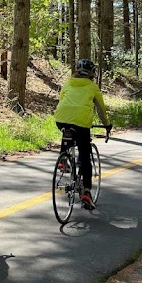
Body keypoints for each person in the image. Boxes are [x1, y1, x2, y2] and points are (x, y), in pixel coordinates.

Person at [54, 58, 112, 210]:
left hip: (60, 119)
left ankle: (63, 158)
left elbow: (63, 102)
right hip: (81, 123)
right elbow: (100, 109)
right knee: (85, 155)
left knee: (67, 132)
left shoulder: (67, 83)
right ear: (92, 74)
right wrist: (106, 124)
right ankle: (86, 192)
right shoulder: (92, 87)